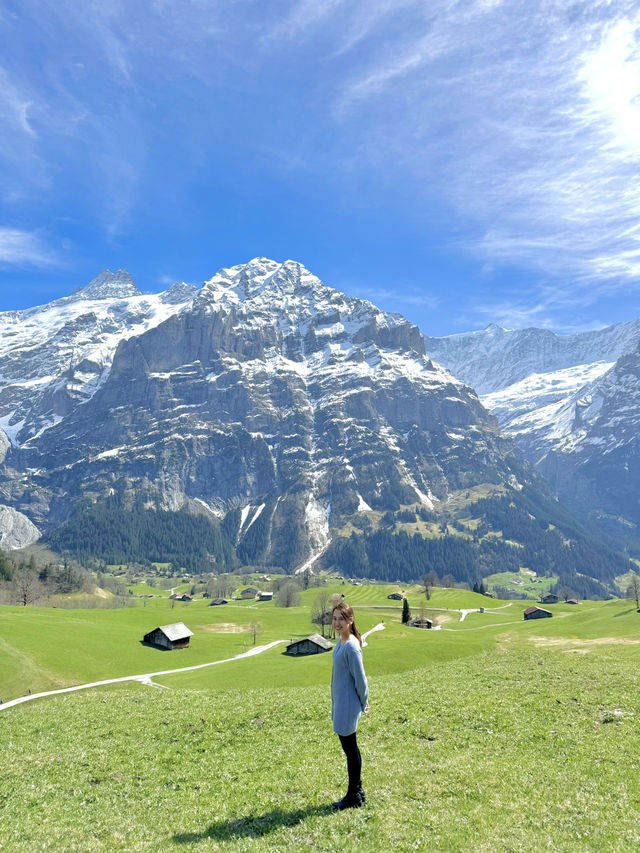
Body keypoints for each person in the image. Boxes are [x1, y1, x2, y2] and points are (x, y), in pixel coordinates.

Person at [330, 602, 370, 810]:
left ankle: (352, 795)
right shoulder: (342, 640)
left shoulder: (352, 647)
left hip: (348, 706)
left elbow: (361, 680)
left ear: (350, 620)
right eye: (335, 618)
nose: (337, 623)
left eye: (341, 619)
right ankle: (358, 790)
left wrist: (364, 702)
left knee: (351, 750)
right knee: (351, 749)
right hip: (341, 703)